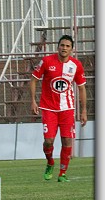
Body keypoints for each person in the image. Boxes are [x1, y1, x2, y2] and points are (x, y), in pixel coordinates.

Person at [30, 34, 87, 182]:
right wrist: (33, 101)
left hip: (67, 109)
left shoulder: (76, 65)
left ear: (72, 49)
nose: (64, 48)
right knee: (48, 141)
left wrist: (83, 110)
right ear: (58, 47)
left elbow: (81, 88)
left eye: (67, 46)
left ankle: (62, 173)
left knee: (67, 141)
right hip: (48, 108)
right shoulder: (47, 61)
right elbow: (34, 80)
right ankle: (50, 162)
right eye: (62, 45)